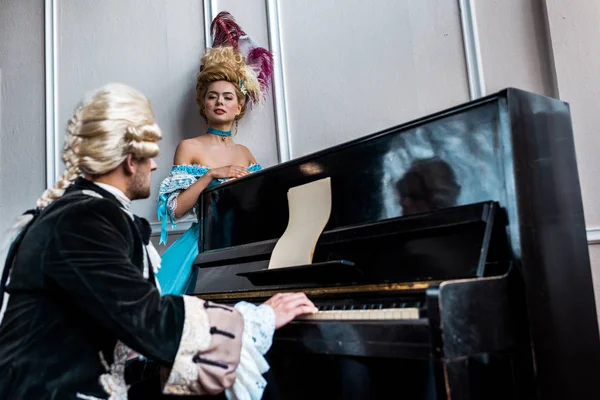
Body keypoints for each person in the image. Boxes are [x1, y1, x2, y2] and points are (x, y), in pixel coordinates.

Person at [0, 83, 317, 400]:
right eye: (151, 155)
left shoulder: (88, 211)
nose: (154, 166)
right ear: (130, 159)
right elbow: (149, 319)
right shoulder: (84, 219)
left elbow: (118, 340)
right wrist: (258, 319)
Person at [156, 11, 274, 295]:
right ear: (204, 104)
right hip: (203, 245)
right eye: (212, 96)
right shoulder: (189, 147)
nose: (219, 101)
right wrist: (210, 175)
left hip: (245, 245)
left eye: (228, 96)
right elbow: (175, 209)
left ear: (238, 106)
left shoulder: (246, 153)